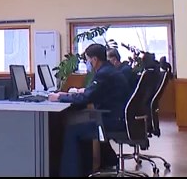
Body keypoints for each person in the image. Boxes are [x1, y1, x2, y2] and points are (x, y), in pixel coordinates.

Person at [48, 44, 130, 177]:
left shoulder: (104, 73)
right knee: (77, 124)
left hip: (112, 120)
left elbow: (85, 98)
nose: (87, 63)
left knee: (72, 130)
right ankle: (86, 170)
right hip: (119, 118)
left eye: (87, 60)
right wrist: (84, 91)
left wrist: (59, 97)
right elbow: (95, 92)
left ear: (95, 60)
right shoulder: (109, 70)